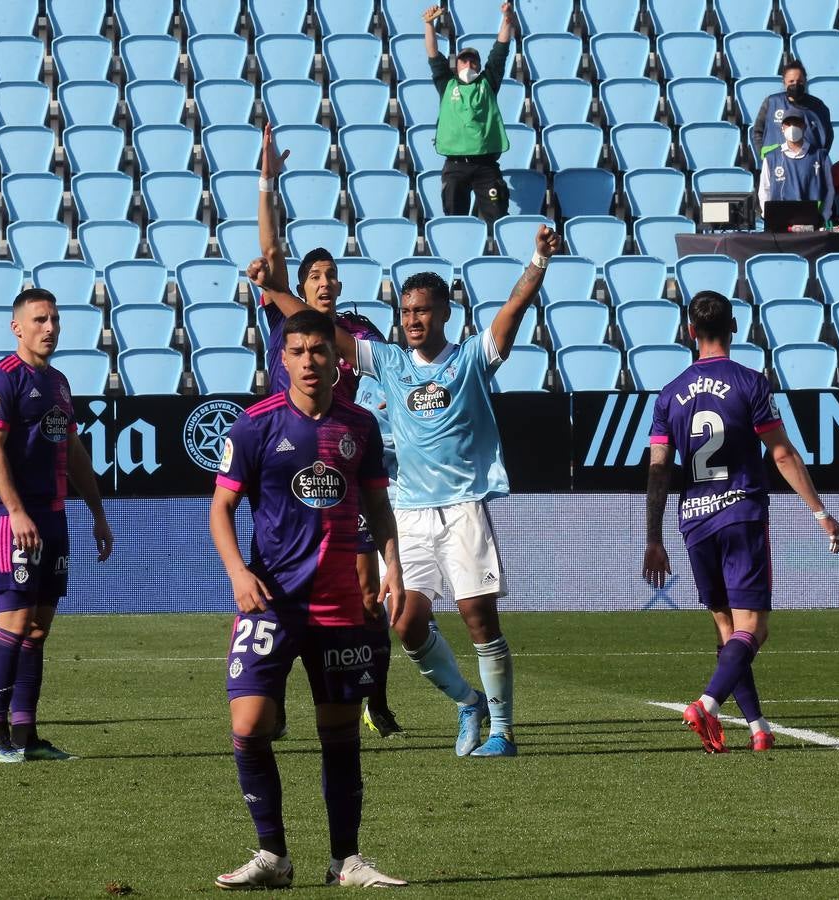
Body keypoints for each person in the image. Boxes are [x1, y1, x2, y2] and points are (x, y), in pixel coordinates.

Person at [252, 225, 562, 758]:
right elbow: (321, 324)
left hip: (464, 507)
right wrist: (273, 293)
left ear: (443, 314)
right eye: (406, 312)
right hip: (409, 512)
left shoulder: (470, 358)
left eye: (421, 311)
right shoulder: (389, 361)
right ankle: (468, 703)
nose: (412, 320)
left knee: (477, 619)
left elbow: (513, 308)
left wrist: (537, 259)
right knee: (406, 621)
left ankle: (503, 731)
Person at [210, 309, 408, 889]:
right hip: (270, 600)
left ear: (335, 357)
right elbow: (220, 509)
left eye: (317, 351)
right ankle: (272, 855)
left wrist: (390, 566)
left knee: (340, 732)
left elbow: (377, 508)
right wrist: (237, 572)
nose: (307, 362)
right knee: (249, 725)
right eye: (295, 352)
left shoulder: (359, 428)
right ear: (283, 358)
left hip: (340, 605)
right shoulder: (254, 426)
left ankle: (345, 860)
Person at [643, 291, 839, 753]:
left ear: (689, 332)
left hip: (693, 522)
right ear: (734, 329)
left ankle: (757, 727)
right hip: (740, 514)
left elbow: (658, 471)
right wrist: (820, 512)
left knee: (728, 630)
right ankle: (707, 704)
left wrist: (653, 538)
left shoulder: (669, 394)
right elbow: (781, 453)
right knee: (753, 628)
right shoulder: (751, 382)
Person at [256, 123, 405, 739]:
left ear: (338, 285)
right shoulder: (284, 317)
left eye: (329, 274)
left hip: (343, 464)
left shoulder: (355, 330)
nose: (321, 280)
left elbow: (384, 369)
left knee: (366, 590)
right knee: (281, 586)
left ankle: (372, 695)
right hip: (286, 465)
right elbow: (271, 258)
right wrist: (268, 182)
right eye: (311, 274)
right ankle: (278, 693)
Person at [0, 287, 114, 763]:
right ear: (17, 327)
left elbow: (72, 451)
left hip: (55, 517)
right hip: (13, 516)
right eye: (39, 320)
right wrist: (16, 512)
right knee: (13, 623)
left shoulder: (58, 382)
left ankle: (26, 736)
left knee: (38, 629)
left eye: (54, 319)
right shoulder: (1, 380)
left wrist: (96, 512)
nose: (49, 328)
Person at [424, 3, 514, 227]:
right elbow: (434, 55)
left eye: (474, 60)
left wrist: (507, 18)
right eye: (465, 60)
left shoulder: (488, 82)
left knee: (498, 219)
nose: (469, 63)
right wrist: (429, 25)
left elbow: (500, 49)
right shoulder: (447, 84)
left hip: (486, 165)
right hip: (455, 165)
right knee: (456, 222)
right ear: (457, 65)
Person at [758, 112, 836, 223]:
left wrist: (825, 215)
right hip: (780, 221)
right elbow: (764, 189)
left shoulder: (820, 156)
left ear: (804, 127)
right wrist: (768, 216)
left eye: (797, 124)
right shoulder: (771, 157)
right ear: (782, 128)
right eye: (788, 124)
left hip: (812, 220)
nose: (792, 128)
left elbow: (830, 188)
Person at [752, 60, 833, 162]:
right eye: (791, 81)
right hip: (778, 164)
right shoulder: (771, 102)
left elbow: (828, 136)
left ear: (805, 82)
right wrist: (764, 155)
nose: (795, 84)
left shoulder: (817, 106)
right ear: (784, 82)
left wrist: (819, 158)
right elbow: (757, 132)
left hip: (809, 165)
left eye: (800, 82)